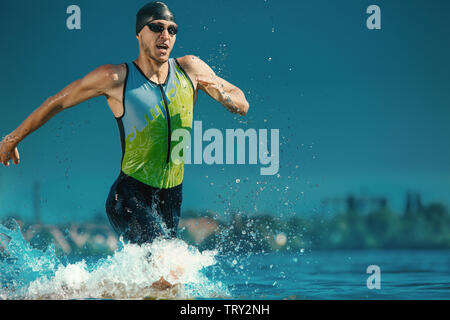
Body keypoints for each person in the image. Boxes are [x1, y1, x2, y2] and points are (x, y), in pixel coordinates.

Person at [0, 2, 249, 246]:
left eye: (172, 30)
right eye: (157, 27)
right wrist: (12, 139)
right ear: (139, 33)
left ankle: (98, 289)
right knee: (165, 263)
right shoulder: (117, 77)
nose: (165, 35)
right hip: (129, 195)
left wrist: (223, 97)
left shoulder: (190, 69)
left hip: (171, 196)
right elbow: (57, 102)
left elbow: (242, 102)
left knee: (166, 281)